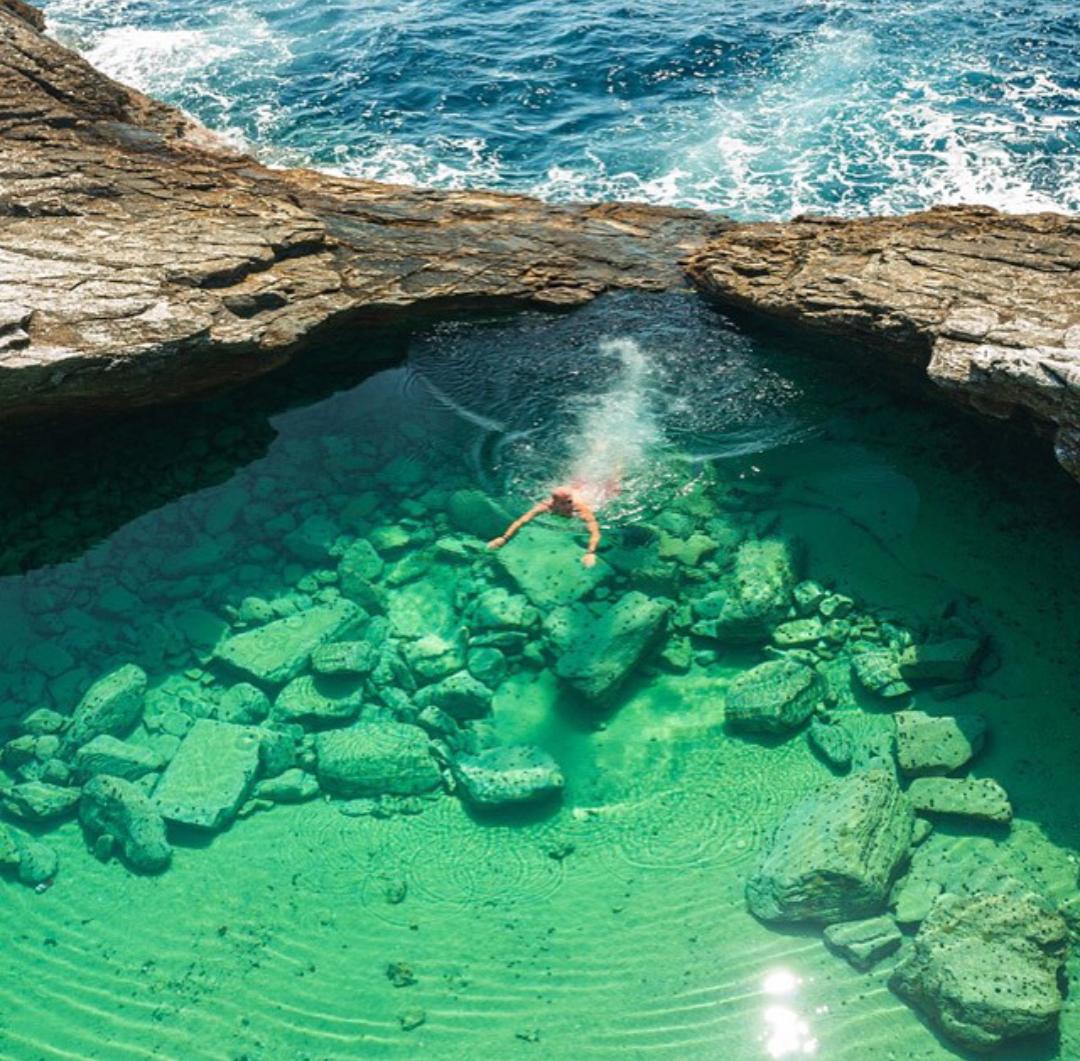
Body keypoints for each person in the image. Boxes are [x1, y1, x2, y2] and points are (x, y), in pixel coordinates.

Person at [488, 484, 601, 567]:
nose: (568, 506)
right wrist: (504, 538)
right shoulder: (545, 507)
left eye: (569, 502)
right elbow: (521, 521)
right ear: (554, 503)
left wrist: (590, 552)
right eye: (563, 503)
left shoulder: (580, 509)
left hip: (584, 492)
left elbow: (595, 532)